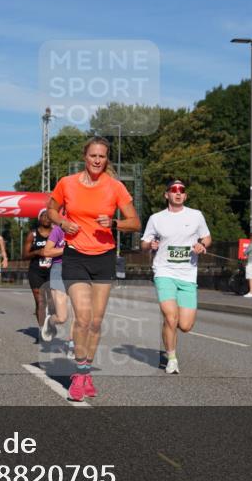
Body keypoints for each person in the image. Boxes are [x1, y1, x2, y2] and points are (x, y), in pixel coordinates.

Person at [47, 136, 141, 401]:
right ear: (85, 157)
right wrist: (63, 223)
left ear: (106, 158)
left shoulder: (115, 187)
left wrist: (114, 224)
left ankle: (86, 371)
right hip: (75, 255)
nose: (97, 160)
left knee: (97, 322)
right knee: (84, 317)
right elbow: (51, 210)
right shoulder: (67, 183)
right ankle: (78, 373)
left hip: (104, 256)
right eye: (93, 156)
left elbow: (134, 222)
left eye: (102, 156)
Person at [141, 179, 211, 375]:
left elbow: (206, 237)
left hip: (188, 274)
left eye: (181, 190)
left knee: (186, 326)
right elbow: (144, 243)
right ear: (167, 195)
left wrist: (202, 245)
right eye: (174, 190)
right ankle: (172, 358)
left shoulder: (196, 215)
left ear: (185, 195)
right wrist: (150, 245)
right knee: (172, 317)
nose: (178, 193)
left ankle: (168, 326)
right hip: (164, 272)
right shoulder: (156, 218)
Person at [41, 215, 75, 356]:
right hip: (59, 269)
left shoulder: (85, 227)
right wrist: (67, 249)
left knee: (79, 313)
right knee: (62, 317)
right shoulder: (58, 230)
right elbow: (47, 251)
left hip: (78, 269)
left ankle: (71, 344)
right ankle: (51, 321)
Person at [24, 209, 54, 340]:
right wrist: (37, 252)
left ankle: (51, 324)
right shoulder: (33, 234)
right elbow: (24, 255)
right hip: (36, 271)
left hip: (53, 271)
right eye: (43, 215)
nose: (47, 218)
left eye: (49, 216)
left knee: (52, 303)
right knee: (40, 302)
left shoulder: (56, 233)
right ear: (39, 218)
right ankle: (42, 330)